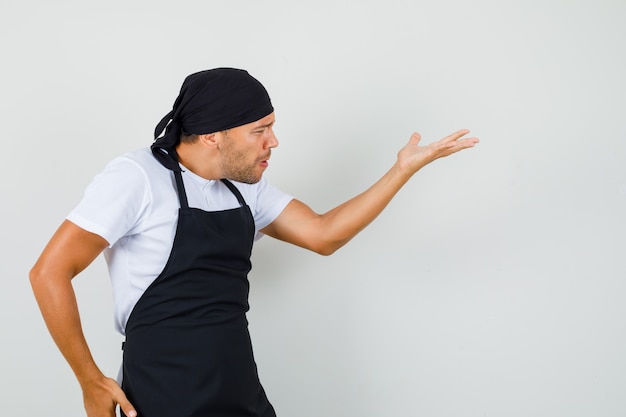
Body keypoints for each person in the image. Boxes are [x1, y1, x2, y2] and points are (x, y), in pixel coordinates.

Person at [29, 68, 479, 417]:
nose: (274, 142)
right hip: (163, 391)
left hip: (237, 384)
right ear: (212, 135)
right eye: (259, 130)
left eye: (272, 126)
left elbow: (323, 235)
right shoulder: (136, 178)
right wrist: (89, 379)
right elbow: (49, 271)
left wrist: (401, 171)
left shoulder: (242, 185)